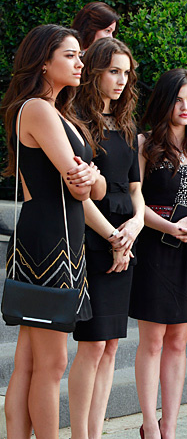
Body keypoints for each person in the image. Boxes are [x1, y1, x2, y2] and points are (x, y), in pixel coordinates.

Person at [1, 24, 105, 437]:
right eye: (70, 55)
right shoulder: (37, 109)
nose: (81, 63)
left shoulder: (59, 112)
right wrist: (89, 179)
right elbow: (79, 184)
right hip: (48, 241)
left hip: (60, 237)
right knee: (52, 362)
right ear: (44, 62)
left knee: (31, 361)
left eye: (80, 55)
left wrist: (90, 179)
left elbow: (93, 186)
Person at [129, 68, 187, 439]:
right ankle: (149, 425)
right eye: (178, 99)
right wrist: (168, 227)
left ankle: (170, 427)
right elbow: (135, 201)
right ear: (165, 101)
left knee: (178, 343)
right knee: (152, 342)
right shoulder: (143, 143)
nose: (185, 107)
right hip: (154, 248)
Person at [68, 37, 145, 439]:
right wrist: (115, 237)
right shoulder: (76, 123)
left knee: (112, 344)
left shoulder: (127, 124)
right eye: (113, 71)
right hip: (93, 235)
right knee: (93, 343)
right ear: (95, 71)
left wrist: (135, 226)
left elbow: (135, 188)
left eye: (126, 73)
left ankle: (95, 433)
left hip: (124, 235)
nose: (121, 80)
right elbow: (78, 195)